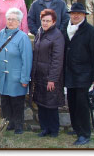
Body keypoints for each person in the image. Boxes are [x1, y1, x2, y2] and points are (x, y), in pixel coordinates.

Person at [62, 2, 94, 145]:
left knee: (82, 104)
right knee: (72, 103)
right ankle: (76, 128)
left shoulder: (92, 32)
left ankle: (85, 133)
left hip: (84, 75)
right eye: (73, 13)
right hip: (70, 74)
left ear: (84, 15)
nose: (76, 16)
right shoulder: (65, 29)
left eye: (79, 14)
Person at [0, 8, 32, 134]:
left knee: (17, 102)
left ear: (19, 22)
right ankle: (8, 123)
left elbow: (27, 60)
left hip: (16, 76)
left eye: (13, 20)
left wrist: (25, 78)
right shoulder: (0, 34)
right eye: (8, 19)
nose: (10, 22)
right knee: (5, 101)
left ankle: (18, 125)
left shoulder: (23, 38)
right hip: (3, 76)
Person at [31, 9, 65, 137]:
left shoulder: (57, 35)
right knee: (41, 103)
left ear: (54, 21)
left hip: (50, 77)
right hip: (39, 75)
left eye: (48, 21)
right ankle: (44, 128)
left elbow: (57, 60)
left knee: (51, 105)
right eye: (43, 20)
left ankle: (54, 129)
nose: (45, 23)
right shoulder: (40, 32)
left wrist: (52, 79)